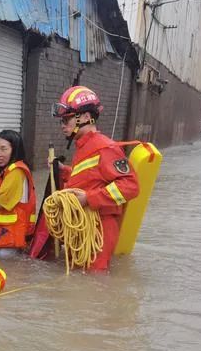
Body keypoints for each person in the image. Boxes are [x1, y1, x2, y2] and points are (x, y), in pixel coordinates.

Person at [52, 85, 139, 272]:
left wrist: (88, 199)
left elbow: (130, 186)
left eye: (66, 120)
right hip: (83, 226)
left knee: (95, 279)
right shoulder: (83, 146)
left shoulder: (104, 147)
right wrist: (64, 171)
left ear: (84, 117)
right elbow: (90, 177)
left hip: (100, 227)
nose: (62, 125)